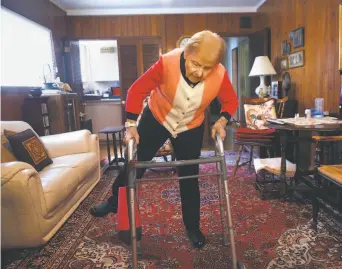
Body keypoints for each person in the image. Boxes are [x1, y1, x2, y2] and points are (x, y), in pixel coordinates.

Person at [90, 30, 239, 249]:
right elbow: (136, 91)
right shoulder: (166, 63)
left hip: (191, 125)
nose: (200, 72)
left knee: (189, 175)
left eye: (207, 67)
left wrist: (222, 122)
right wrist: (131, 125)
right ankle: (114, 202)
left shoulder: (219, 74)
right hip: (157, 118)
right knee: (135, 164)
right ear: (187, 53)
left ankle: (192, 226)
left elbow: (230, 101)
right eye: (196, 64)